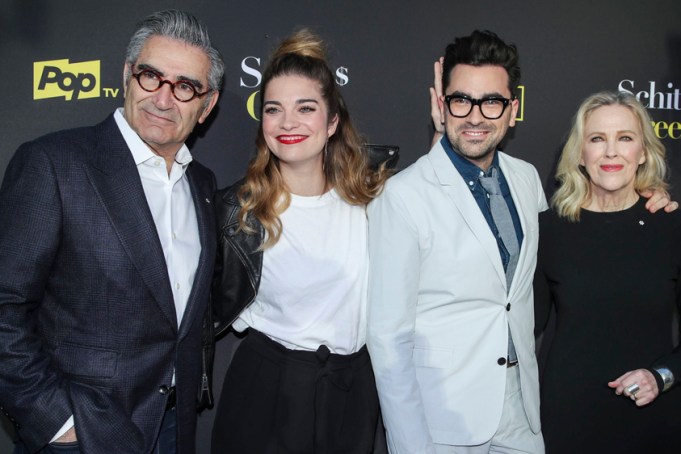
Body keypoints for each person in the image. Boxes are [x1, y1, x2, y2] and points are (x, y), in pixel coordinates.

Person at [366, 30, 675, 454]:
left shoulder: (526, 179)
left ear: (512, 110)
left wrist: (648, 203)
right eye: (461, 100)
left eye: (491, 102)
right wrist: (409, 443)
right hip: (446, 422)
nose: (476, 116)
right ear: (442, 105)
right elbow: (389, 339)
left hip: (527, 414)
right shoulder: (401, 196)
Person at [0, 10, 223, 454]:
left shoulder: (203, 185)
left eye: (184, 86)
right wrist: (56, 421)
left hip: (175, 428)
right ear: (126, 75)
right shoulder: (54, 163)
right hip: (83, 433)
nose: (163, 98)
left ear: (206, 106)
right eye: (150, 76)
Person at [211, 29, 390, 453]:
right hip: (267, 387)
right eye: (274, 110)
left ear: (332, 123)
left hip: (352, 389)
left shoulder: (373, 199)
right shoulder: (238, 210)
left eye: (304, 108)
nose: (287, 122)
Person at [534, 91, 681, 453]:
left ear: (643, 152)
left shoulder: (672, 227)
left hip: (652, 421)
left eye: (625, 138)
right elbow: (523, 326)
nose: (611, 152)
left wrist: (661, 376)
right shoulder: (548, 230)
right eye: (597, 139)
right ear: (580, 154)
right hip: (567, 421)